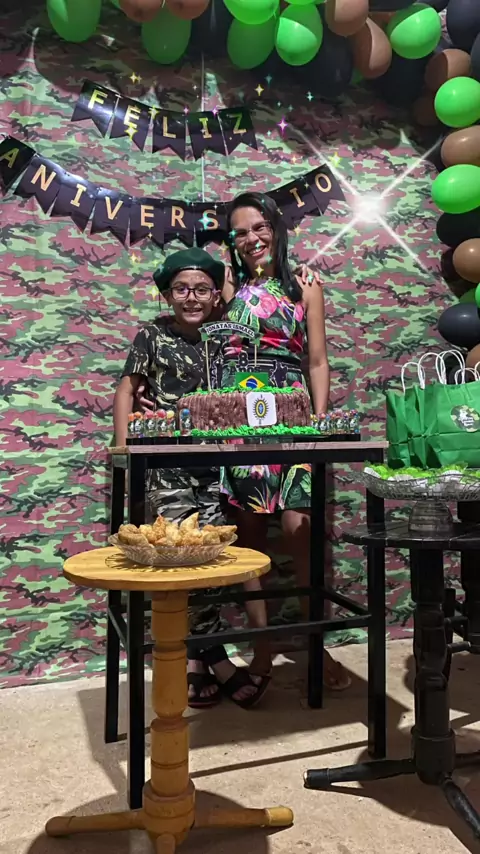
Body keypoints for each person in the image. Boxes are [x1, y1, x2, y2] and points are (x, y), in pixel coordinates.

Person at [113, 247, 270, 709]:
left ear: (216, 295)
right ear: (167, 294)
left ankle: (196, 659)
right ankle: (215, 656)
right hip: (166, 465)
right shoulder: (152, 335)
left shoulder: (226, 339)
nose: (191, 297)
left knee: (213, 561)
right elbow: (126, 390)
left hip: (215, 465)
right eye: (181, 289)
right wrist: (125, 450)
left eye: (202, 289)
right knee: (181, 557)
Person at [216, 191, 351, 691]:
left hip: (292, 417)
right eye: (240, 232)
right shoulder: (226, 287)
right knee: (249, 540)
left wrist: (318, 423)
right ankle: (262, 648)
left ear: (276, 227)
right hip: (239, 418)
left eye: (259, 227)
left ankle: (315, 645)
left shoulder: (306, 285)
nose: (251, 238)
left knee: (300, 532)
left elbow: (317, 360)